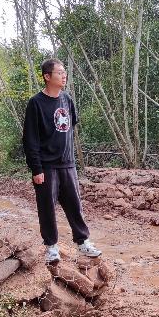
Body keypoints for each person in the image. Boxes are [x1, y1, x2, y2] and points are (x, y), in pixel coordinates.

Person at [22, 58, 101, 262]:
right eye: (59, 73)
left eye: (64, 72)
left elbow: (70, 126)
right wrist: (36, 168)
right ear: (47, 77)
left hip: (67, 164)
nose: (64, 76)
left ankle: (83, 242)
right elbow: (30, 139)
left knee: (75, 205)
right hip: (46, 166)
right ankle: (51, 247)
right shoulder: (36, 103)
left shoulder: (67, 99)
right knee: (47, 208)